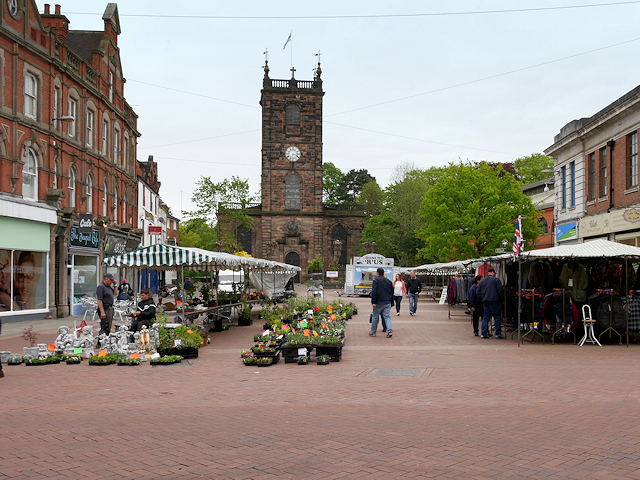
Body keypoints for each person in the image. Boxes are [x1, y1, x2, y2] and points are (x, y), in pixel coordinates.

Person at [477, 268, 504, 339]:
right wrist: (502, 299)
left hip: (485, 302)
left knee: (485, 318)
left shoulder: (482, 281)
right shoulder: (496, 280)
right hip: (495, 301)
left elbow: (478, 292)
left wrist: (482, 299)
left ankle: (484, 333)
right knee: (497, 317)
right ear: (492, 272)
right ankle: (498, 333)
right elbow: (500, 291)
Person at [370, 267, 394, 338]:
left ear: (377, 273)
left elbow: (374, 292)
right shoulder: (388, 282)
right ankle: (389, 330)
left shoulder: (376, 281)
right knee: (387, 317)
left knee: (375, 317)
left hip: (378, 302)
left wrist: (373, 301)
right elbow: (391, 292)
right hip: (387, 302)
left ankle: (373, 332)